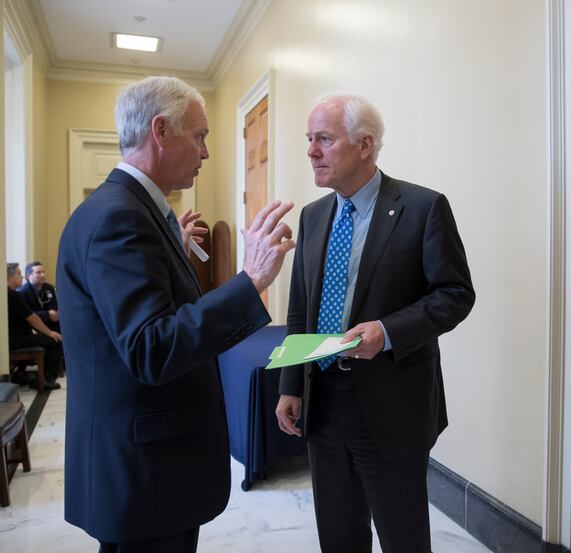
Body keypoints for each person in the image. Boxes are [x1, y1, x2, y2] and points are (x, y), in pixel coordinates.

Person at [56, 76, 295, 553]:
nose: (206, 152)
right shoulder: (120, 218)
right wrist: (250, 281)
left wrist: (171, 256)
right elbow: (151, 348)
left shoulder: (128, 211)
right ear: (160, 131)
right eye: (200, 135)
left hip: (143, 464)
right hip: (145, 469)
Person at [275, 95, 475, 553]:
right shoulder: (312, 215)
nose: (310, 151)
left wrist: (387, 332)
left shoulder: (423, 208)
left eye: (323, 139)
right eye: (309, 139)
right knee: (339, 536)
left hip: (392, 404)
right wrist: (291, 384)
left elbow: (456, 295)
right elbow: (301, 309)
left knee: (402, 536)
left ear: (365, 144)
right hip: (322, 401)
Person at [6, 263, 63, 390]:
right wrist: (50, 333)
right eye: (19, 274)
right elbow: (32, 318)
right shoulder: (15, 295)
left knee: (45, 338)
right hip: (16, 339)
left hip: (15, 337)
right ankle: (45, 380)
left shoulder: (7, 294)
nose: (21, 277)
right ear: (9, 278)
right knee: (56, 340)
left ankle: (22, 374)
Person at [17, 261, 60, 331]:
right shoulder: (22, 292)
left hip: (52, 324)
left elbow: (55, 307)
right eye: (38, 272)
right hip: (34, 328)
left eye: (43, 272)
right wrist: (47, 315)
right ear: (28, 276)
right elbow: (27, 315)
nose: (43, 275)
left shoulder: (50, 288)